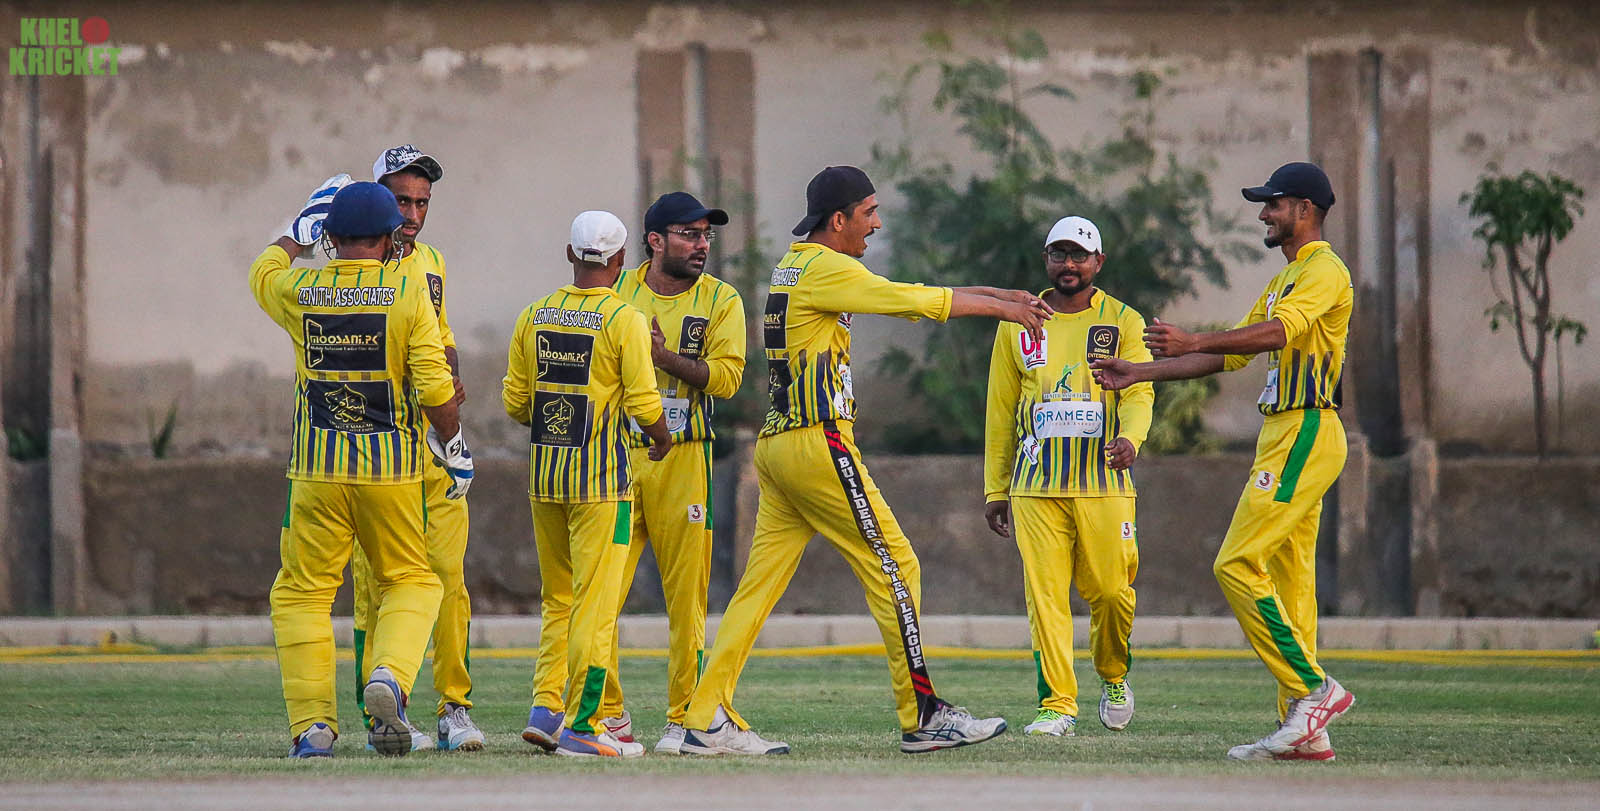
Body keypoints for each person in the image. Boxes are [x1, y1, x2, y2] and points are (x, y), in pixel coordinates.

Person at [678, 165, 1054, 756]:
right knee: (898, 565)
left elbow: (906, 292)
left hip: (780, 447)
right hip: (817, 443)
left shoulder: (797, 264)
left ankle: (702, 718)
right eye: (869, 212)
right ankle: (923, 715)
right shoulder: (826, 269)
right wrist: (1001, 310)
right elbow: (909, 299)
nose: (876, 224)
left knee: (757, 589)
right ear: (838, 219)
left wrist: (1001, 297)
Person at [1091, 162, 1356, 761]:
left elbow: (1277, 335)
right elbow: (1230, 355)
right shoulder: (1287, 276)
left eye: (1273, 204)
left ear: (1305, 210)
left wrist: (1194, 339)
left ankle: (1315, 691)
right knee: (1290, 586)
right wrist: (1142, 371)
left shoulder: (1324, 270)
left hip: (1306, 429)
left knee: (1235, 563)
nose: (1264, 214)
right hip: (1285, 431)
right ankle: (1304, 730)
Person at [251, 179, 474, 758]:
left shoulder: (301, 289)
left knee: (302, 595)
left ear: (330, 236)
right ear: (389, 238)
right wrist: (454, 446)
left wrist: (294, 234)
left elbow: (262, 272)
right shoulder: (406, 293)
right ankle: (389, 677)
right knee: (413, 581)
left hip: (315, 471)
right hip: (391, 473)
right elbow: (436, 388)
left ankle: (312, 728)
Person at [504, 210, 672, 758]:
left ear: (570, 254)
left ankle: (546, 708)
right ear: (621, 260)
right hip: (601, 485)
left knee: (558, 600)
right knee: (596, 609)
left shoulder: (533, 315)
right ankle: (582, 725)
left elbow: (516, 403)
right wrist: (662, 437)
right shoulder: (624, 319)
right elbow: (644, 402)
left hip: (545, 478)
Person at [983, 216, 1153, 738]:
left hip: (1103, 483)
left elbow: (1140, 390)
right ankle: (1056, 705)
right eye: (1059, 254)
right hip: (1035, 486)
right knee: (1046, 599)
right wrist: (995, 487)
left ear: (1098, 261)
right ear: (1046, 260)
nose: (1069, 264)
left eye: (1079, 255)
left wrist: (1131, 438)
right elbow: (1000, 409)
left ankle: (1114, 674)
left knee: (1111, 591)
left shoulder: (1122, 321)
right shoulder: (1018, 322)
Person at [594, 192, 747, 755]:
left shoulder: (722, 300)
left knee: (688, 602)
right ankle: (606, 715)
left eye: (706, 235)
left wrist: (661, 358)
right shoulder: (616, 292)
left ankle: (686, 719)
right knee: (601, 596)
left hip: (684, 458)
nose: (701, 244)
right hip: (616, 458)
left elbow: (727, 380)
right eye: (688, 234)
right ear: (655, 240)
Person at [347, 144, 484, 752]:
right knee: (376, 587)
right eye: (401, 200)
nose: (412, 214)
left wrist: (449, 378)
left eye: (422, 202)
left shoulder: (430, 262)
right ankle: (381, 714)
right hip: (374, 450)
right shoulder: (351, 264)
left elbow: (440, 334)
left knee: (449, 577)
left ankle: (455, 708)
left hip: (430, 444)